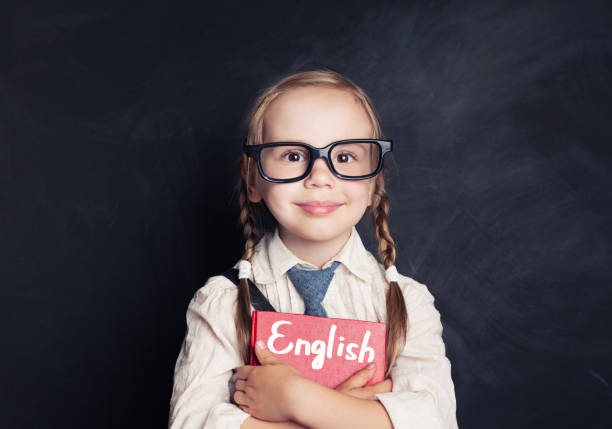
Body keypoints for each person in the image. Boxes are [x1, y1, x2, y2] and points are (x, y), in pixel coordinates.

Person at [168, 69, 458, 428]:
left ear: (373, 183)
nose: (320, 176)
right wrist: (350, 415)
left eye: (346, 158)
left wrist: (294, 397)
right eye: (292, 156)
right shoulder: (221, 303)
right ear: (253, 179)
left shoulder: (407, 304)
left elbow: (434, 423)